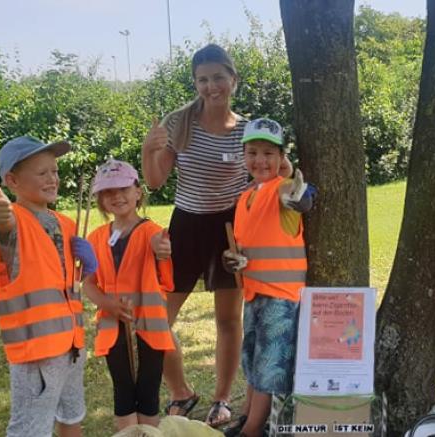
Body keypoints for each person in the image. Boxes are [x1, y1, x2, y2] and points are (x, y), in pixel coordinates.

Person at [141, 43, 275, 424]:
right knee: (157, 320)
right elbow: (153, 181)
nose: (211, 86)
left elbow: (265, 177)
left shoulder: (248, 130)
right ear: (195, 83)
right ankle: (181, 393)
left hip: (229, 230)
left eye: (218, 77)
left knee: (229, 319)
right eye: (202, 79)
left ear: (233, 79)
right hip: (186, 226)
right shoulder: (178, 123)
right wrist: (147, 151)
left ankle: (221, 399)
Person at [0, 136, 98, 437]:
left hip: (72, 343)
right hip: (37, 352)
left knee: (72, 415)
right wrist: (2, 220)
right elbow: (6, 236)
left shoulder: (65, 223)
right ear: (12, 180)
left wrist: (85, 267)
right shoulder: (13, 221)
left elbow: (67, 280)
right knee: (30, 428)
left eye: (55, 171)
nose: (53, 179)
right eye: (42, 172)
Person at [220, 118, 315, 437]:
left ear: (281, 157)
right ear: (243, 155)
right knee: (253, 360)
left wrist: (292, 179)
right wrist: (232, 259)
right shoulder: (245, 198)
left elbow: (301, 198)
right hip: (254, 293)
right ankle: (248, 417)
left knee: (269, 367)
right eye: (253, 152)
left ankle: (253, 430)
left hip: (282, 297)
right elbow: (245, 247)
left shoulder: (282, 189)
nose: (260, 160)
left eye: (269, 153)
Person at [82, 159, 175, 432]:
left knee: (148, 389)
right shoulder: (96, 238)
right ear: (100, 200)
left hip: (150, 326)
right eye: (108, 192)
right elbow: (88, 283)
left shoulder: (153, 233)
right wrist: (106, 303)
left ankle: (149, 431)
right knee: (122, 389)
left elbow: (166, 278)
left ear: (138, 192)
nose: (117, 196)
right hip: (113, 327)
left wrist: (162, 252)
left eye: (123, 188)